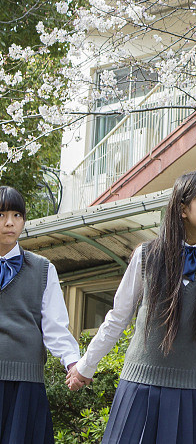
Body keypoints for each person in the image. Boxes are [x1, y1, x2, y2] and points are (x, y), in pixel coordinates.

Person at [66, 171, 196, 444]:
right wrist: (85, 366)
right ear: (183, 208)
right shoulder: (147, 255)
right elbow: (118, 317)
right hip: (140, 388)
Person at [0, 185, 81, 444]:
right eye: (0, 215)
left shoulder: (43, 268)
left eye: (16, 215)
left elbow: (55, 325)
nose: (9, 223)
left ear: (24, 220)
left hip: (26, 383)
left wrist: (72, 362)